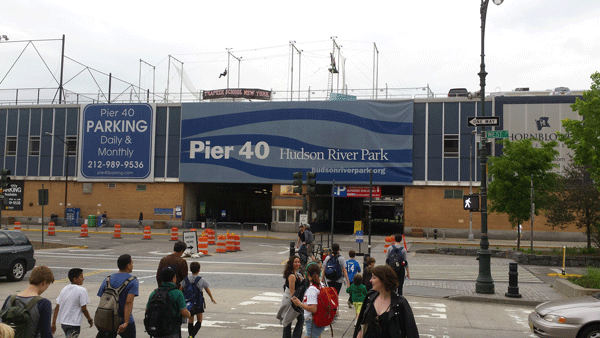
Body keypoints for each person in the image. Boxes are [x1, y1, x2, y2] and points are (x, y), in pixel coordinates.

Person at [353, 265, 419, 338]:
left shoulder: (400, 303)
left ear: (383, 280)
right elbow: (362, 322)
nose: (370, 280)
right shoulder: (370, 297)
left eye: (374, 277)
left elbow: (412, 331)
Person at [1, 266, 55, 338]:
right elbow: (46, 334)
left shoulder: (10, 299)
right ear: (43, 282)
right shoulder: (43, 303)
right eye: (47, 285)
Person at [96, 254, 139, 338]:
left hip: (108, 318)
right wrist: (126, 322)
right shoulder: (132, 281)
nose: (132, 265)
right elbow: (128, 302)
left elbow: (102, 297)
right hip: (123, 319)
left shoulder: (108, 279)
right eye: (132, 263)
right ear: (128, 266)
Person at [146, 267, 191, 338]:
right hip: (172, 330)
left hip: (157, 331)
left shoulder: (154, 293)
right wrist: (189, 314)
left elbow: (147, 310)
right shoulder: (177, 293)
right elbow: (184, 312)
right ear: (173, 278)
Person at [52, 268, 93, 337]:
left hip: (64, 323)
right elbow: (84, 309)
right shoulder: (82, 290)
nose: (83, 278)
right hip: (73, 324)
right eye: (81, 277)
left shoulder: (64, 289)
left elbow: (57, 307)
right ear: (75, 279)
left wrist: (53, 323)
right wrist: (89, 319)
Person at [181, 262, 216, 338]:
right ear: (199, 270)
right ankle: (191, 336)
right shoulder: (201, 279)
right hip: (198, 302)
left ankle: (190, 335)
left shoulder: (186, 279)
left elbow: (181, 290)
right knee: (199, 320)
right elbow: (207, 289)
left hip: (189, 302)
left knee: (190, 320)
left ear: (190, 270)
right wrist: (212, 298)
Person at [291, 263, 326, 338]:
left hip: (312, 320)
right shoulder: (321, 285)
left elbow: (313, 309)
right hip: (319, 318)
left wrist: (299, 304)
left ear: (307, 274)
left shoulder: (312, 289)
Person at [276, 256, 304, 338]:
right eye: (295, 262)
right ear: (291, 263)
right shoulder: (292, 276)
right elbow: (292, 292)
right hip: (291, 301)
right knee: (297, 319)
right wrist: (297, 303)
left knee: (288, 320)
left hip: (290, 299)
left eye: (298, 262)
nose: (297, 264)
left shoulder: (295, 273)